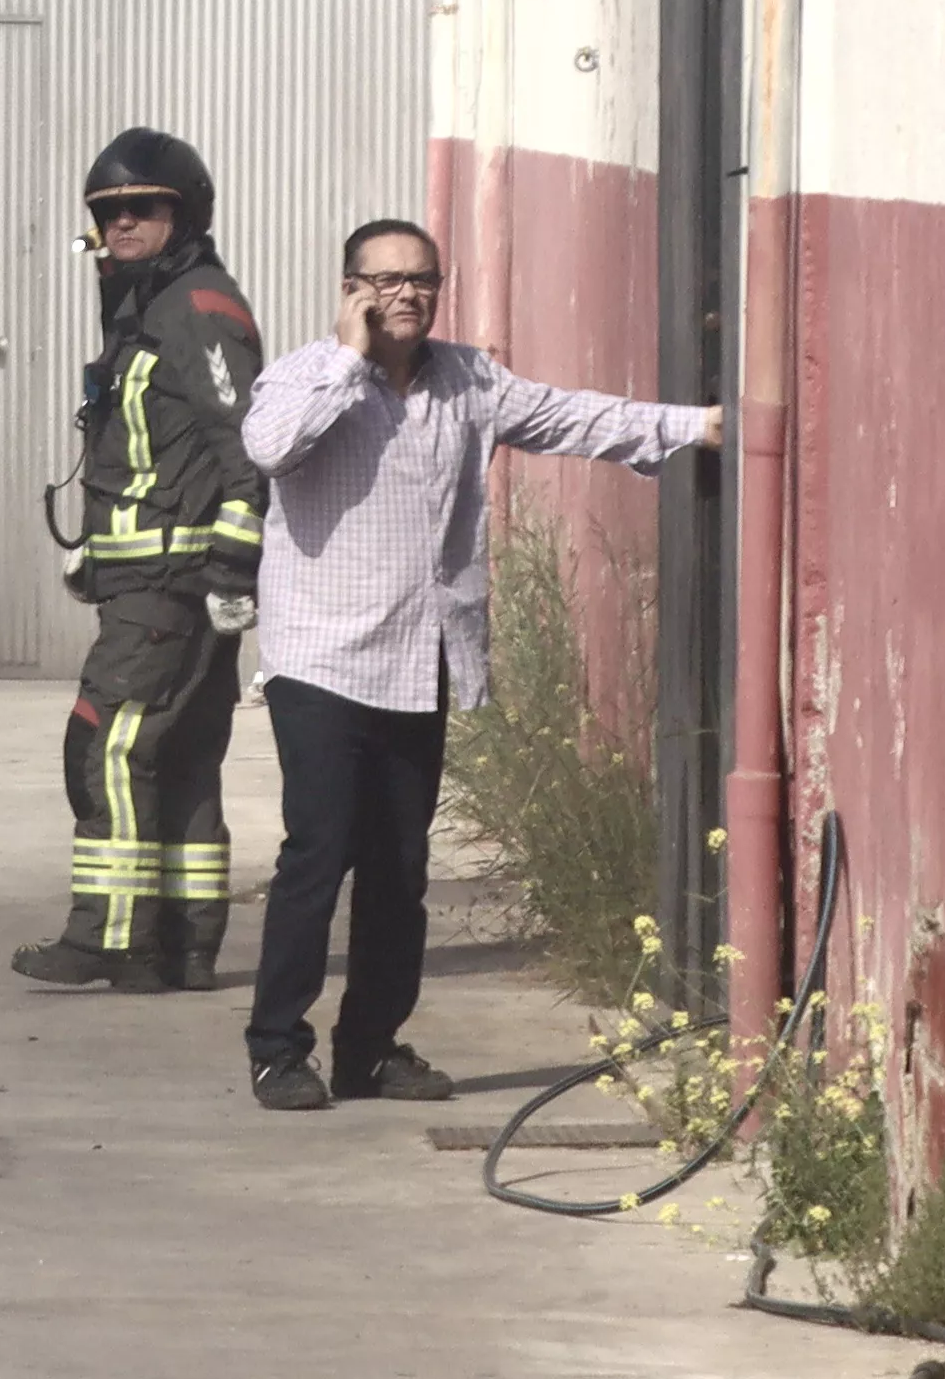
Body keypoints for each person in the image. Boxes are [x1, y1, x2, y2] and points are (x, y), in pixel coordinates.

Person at [234, 216, 717, 1112]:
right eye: (385, 280)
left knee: (399, 870)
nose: (406, 294)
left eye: (422, 279)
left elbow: (575, 415)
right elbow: (270, 448)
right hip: (321, 661)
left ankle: (369, 1050)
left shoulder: (468, 381)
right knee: (319, 852)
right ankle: (276, 1047)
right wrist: (348, 357)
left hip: (420, 660)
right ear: (351, 291)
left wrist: (700, 426)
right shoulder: (303, 373)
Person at [15, 127, 266, 990]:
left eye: (140, 210)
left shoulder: (197, 309)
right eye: (108, 213)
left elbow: (247, 446)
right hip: (146, 577)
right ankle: (183, 949)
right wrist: (98, 548)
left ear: (182, 213)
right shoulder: (146, 307)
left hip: (172, 585)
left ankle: (111, 938)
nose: (121, 225)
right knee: (183, 756)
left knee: (109, 750)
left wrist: (232, 568)